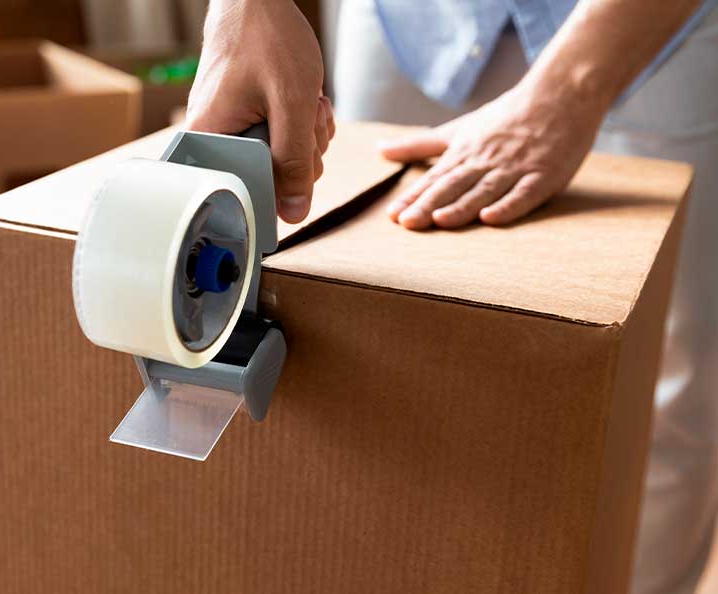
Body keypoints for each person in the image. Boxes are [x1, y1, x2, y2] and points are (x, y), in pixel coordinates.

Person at [184, 1, 718, 593]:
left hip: (654, 29)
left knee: (661, 394)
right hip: (413, 20)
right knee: (363, 347)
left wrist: (572, 87)